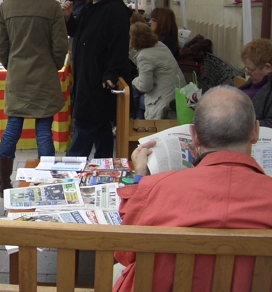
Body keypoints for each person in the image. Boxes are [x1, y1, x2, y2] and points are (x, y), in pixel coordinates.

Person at [114, 86, 272, 292]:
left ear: (194, 136)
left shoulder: (155, 189)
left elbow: (124, 253)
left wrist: (138, 177)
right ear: (255, 131)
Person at [0, 0, 69, 197]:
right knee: (44, 130)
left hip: (18, 75)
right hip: (44, 75)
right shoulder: (51, 7)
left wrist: (13, 66)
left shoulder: (6, 7)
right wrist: (53, 65)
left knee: (12, 127)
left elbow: (1, 47)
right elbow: (60, 47)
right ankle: (46, 180)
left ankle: (4, 181)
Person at [62, 0, 132, 158]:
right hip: (86, 76)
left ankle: (70, 167)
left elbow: (118, 46)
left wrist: (111, 72)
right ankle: (104, 168)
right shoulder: (90, 8)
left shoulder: (114, 10)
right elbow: (78, 32)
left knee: (86, 125)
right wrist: (68, 19)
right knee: (101, 128)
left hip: (99, 80)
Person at [129, 22, 185, 119]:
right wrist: (131, 52)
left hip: (163, 101)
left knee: (132, 95)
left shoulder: (144, 56)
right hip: (177, 93)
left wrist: (133, 81)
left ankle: (133, 124)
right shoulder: (159, 45)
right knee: (135, 95)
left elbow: (145, 86)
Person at [239, 38, 272, 128]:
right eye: (246, 68)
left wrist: (237, 123)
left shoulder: (268, 91)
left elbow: (269, 124)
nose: (247, 73)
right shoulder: (253, 82)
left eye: (250, 70)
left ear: (268, 68)